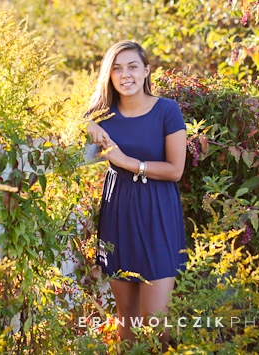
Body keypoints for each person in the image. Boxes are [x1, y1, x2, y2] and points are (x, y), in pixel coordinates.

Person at [84, 40, 188, 351]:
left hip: (158, 212)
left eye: (132, 66)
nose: (124, 74)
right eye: (116, 68)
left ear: (145, 71)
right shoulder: (103, 115)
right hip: (118, 211)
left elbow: (175, 170)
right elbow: (69, 126)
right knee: (125, 319)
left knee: (154, 321)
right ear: (109, 75)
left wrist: (128, 162)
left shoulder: (167, 110)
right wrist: (89, 124)